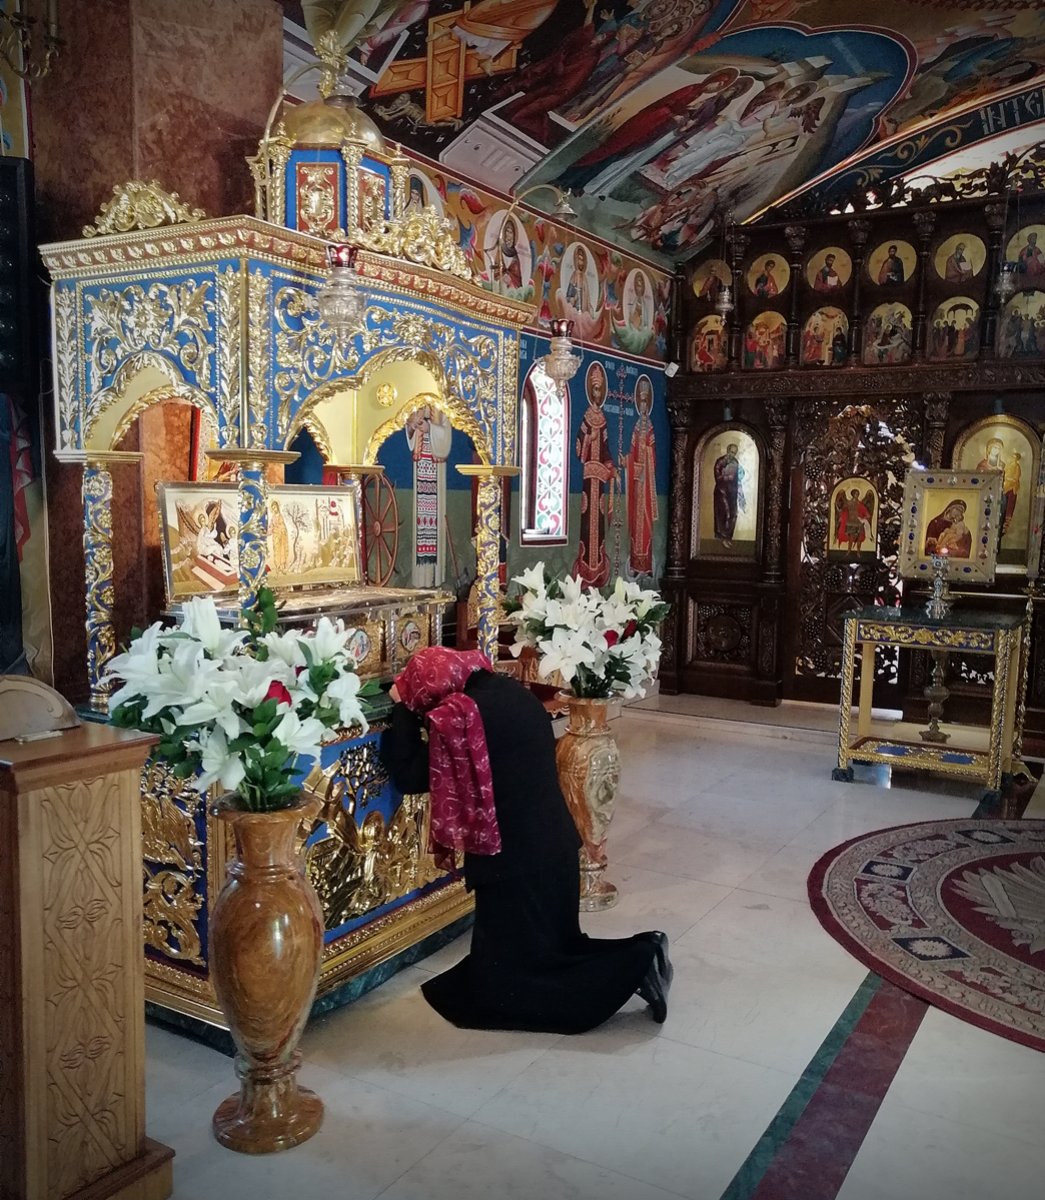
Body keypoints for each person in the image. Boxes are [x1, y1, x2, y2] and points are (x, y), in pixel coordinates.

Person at [379, 647, 673, 1032]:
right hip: (554, 849)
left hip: (515, 865)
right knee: (554, 950)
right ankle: (642, 952)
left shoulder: (462, 714)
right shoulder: (507, 691)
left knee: (523, 980)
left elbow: (412, 776)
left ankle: (637, 962)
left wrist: (401, 710)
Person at [713, 442, 744, 545]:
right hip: (721, 492)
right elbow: (717, 477)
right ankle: (722, 537)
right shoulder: (720, 462)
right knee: (725, 513)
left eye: (734, 453)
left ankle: (729, 537)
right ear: (727, 451)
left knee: (734, 514)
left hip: (732, 492)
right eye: (731, 452)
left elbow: (738, 479)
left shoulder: (735, 462)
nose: (732, 455)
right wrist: (726, 476)